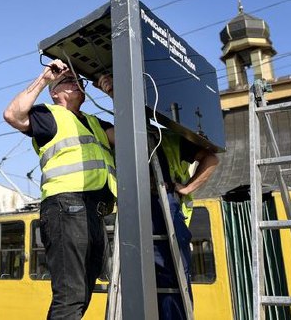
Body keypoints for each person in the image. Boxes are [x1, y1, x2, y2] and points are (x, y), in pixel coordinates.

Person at [94, 73, 219, 320]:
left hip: (165, 207)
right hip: (134, 206)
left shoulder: (171, 137)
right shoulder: (119, 135)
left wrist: (185, 188)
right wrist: (113, 93)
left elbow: (212, 159)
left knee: (170, 276)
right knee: (136, 278)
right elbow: (124, 122)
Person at [3, 58, 117, 320]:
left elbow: (133, 134)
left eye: (80, 81)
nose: (77, 83)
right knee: (71, 296)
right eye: (69, 81)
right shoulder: (48, 115)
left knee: (83, 293)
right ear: (55, 92)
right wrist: (44, 78)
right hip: (67, 208)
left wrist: (112, 93)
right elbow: (13, 115)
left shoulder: (95, 123)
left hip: (95, 214)